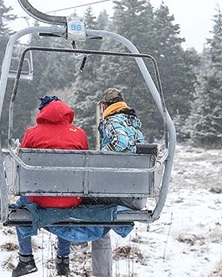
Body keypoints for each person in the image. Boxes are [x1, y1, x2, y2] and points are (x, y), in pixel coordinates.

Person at [12, 95, 88, 277]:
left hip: (39, 198)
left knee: (19, 208)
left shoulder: (32, 133)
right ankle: (63, 261)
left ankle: (26, 259)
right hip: (72, 198)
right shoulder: (79, 133)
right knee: (65, 205)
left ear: (43, 112)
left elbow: (22, 166)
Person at [90, 87, 146, 277]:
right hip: (137, 192)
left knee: (90, 210)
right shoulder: (133, 123)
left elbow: (120, 143)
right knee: (101, 222)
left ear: (104, 105)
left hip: (119, 191)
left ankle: (73, 243)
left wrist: (102, 156)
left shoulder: (111, 121)